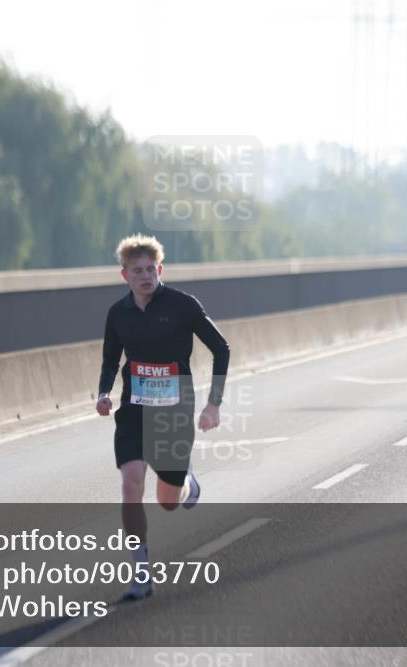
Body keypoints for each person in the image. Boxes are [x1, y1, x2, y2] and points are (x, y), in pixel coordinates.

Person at [96, 234, 230, 600]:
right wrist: (104, 393)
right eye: (136, 271)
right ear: (124, 275)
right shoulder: (118, 314)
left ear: (160, 269)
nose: (144, 276)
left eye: (150, 269)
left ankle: (187, 479)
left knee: (169, 501)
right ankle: (140, 571)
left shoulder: (182, 305)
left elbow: (221, 348)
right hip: (134, 412)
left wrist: (213, 403)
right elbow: (111, 359)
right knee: (131, 483)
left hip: (174, 411)